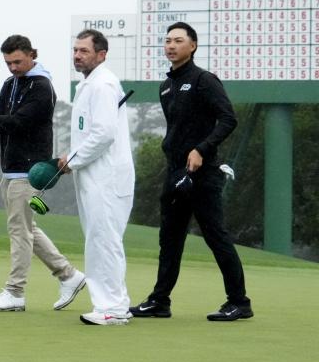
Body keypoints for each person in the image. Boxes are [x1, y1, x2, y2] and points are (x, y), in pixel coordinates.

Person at [130, 22, 252, 322]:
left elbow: (227, 119)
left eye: (178, 41)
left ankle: (239, 302)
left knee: (215, 236)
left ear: (193, 46)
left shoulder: (204, 80)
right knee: (169, 238)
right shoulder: (166, 86)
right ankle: (160, 301)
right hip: (174, 173)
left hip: (203, 174)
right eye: (168, 41)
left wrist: (201, 149)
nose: (171, 45)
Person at [0, 35, 85, 312]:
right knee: (27, 228)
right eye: (8, 63)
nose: (13, 67)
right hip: (11, 168)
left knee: (19, 231)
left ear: (31, 55)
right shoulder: (11, 83)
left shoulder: (42, 87)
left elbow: (18, 123)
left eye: (17, 61)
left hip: (31, 171)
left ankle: (15, 292)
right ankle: (69, 275)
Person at [58, 29, 134, 326]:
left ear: (101, 54)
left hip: (107, 178)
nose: (77, 55)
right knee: (97, 240)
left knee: (105, 241)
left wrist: (72, 160)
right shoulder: (87, 85)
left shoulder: (103, 84)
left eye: (84, 51)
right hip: (92, 176)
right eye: (75, 50)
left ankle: (113, 308)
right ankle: (111, 305)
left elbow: (103, 134)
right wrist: (72, 159)